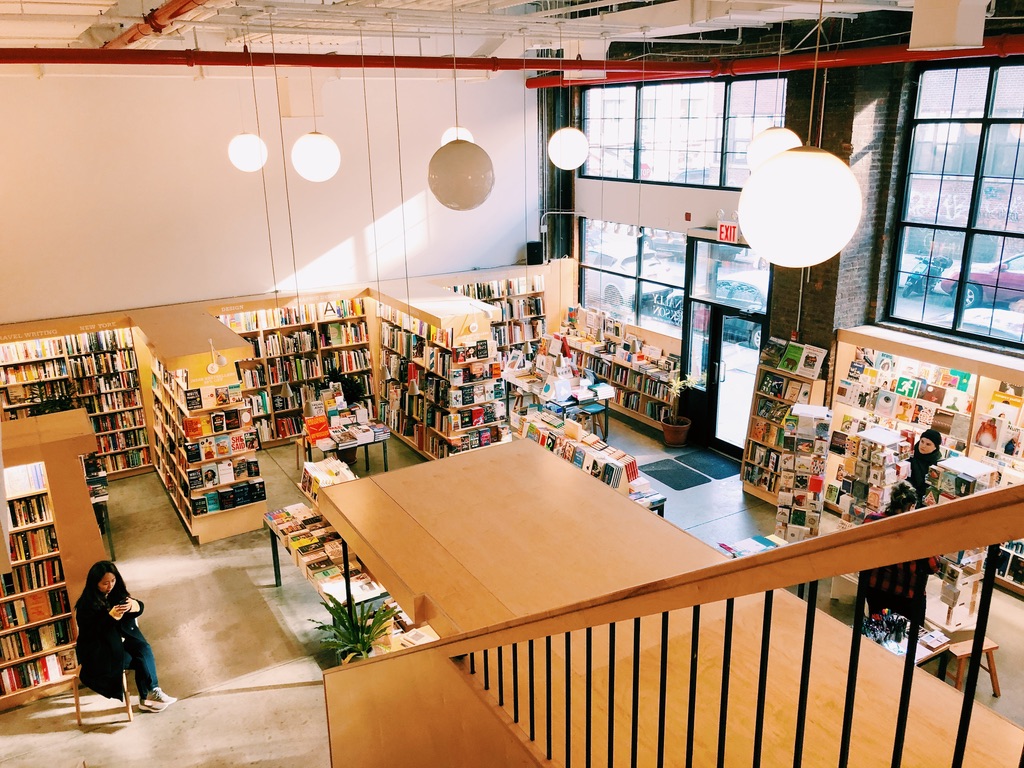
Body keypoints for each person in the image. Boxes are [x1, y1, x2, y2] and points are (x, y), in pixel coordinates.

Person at [74, 561, 177, 713]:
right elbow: (91, 634)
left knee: (143, 647)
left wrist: (134, 605)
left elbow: (137, 607)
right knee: (138, 658)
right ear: (94, 583)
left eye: (113, 581)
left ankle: (153, 690)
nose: (110, 586)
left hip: (117, 643)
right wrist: (111, 617)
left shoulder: (115, 593)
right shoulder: (85, 605)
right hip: (98, 651)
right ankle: (146, 697)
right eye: (105, 583)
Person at [861, 482, 940, 621]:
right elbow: (933, 566)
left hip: (875, 588)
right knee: (907, 634)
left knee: (879, 625)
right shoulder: (918, 533)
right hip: (906, 596)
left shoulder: (871, 520)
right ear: (911, 506)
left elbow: (859, 548)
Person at [908, 428, 942, 506]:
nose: (923, 446)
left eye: (928, 444)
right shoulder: (910, 453)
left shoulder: (937, 464)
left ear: (935, 447)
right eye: (922, 441)